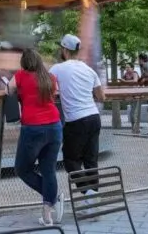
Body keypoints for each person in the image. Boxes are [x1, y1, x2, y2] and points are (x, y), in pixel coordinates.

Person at [8, 49, 63, 226]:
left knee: (22, 169)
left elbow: (9, 88)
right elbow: (55, 94)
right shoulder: (49, 77)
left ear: (24, 62)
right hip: (54, 125)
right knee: (48, 169)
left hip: (33, 127)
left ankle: (53, 197)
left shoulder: (21, 76)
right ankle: (47, 215)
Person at [50, 34, 104, 196]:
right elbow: (101, 97)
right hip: (94, 117)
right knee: (91, 160)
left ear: (64, 50)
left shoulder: (57, 69)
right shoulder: (89, 70)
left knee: (71, 160)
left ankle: (87, 193)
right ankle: (93, 197)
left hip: (76, 120)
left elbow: (47, 89)